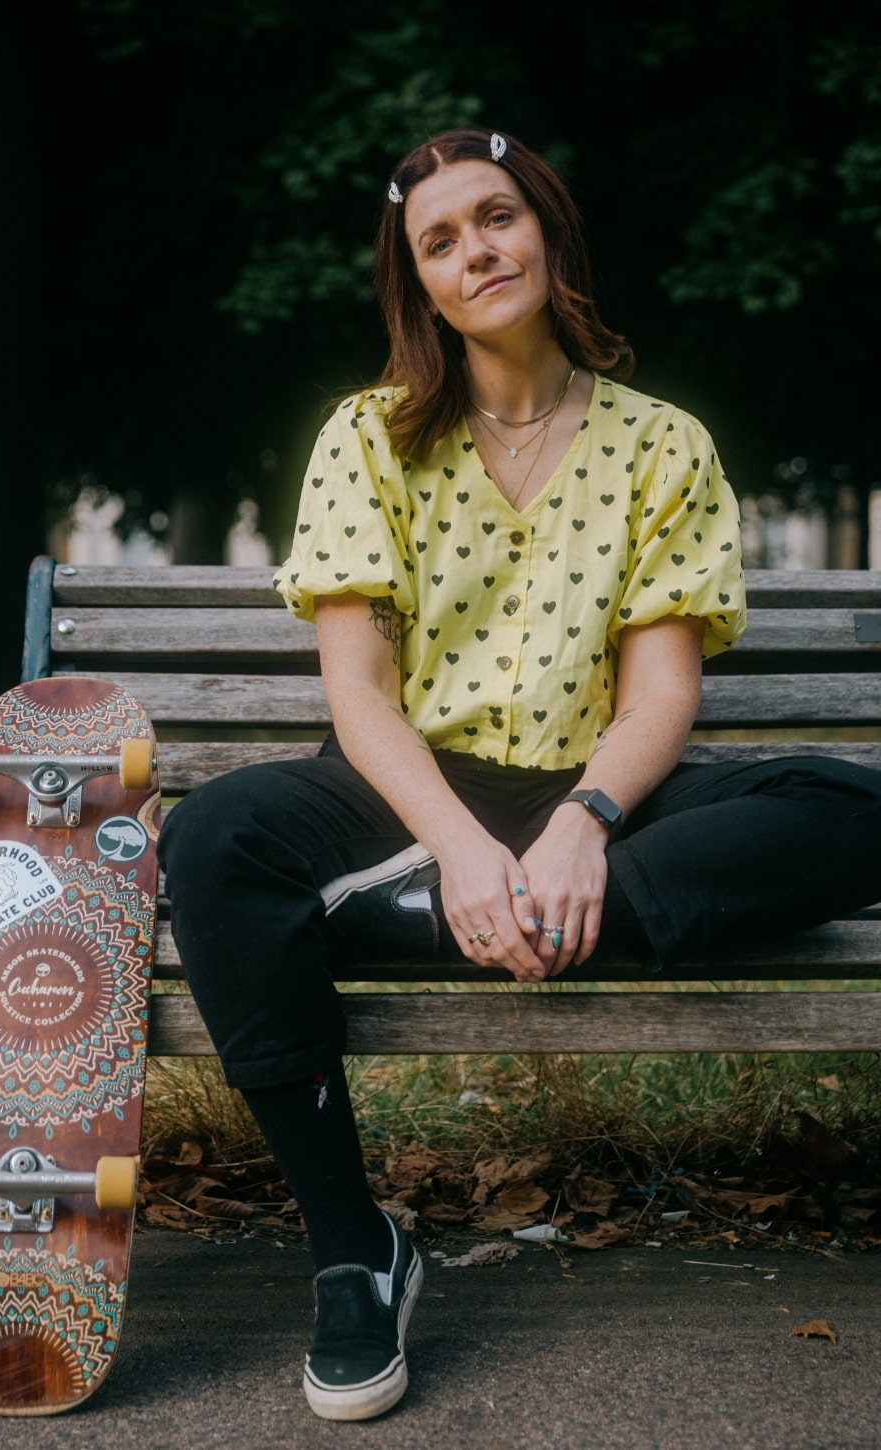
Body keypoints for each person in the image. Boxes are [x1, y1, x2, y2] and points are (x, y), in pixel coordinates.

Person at [158, 127, 881, 1421]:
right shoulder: (370, 437)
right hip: (402, 797)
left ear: (545, 228)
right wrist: (461, 846)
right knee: (213, 836)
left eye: (496, 217)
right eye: (439, 239)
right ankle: (354, 1250)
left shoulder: (663, 444)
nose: (476, 250)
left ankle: (447, 918)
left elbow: (661, 691)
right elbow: (359, 695)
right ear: (417, 281)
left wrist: (582, 823)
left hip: (599, 798)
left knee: (850, 804)